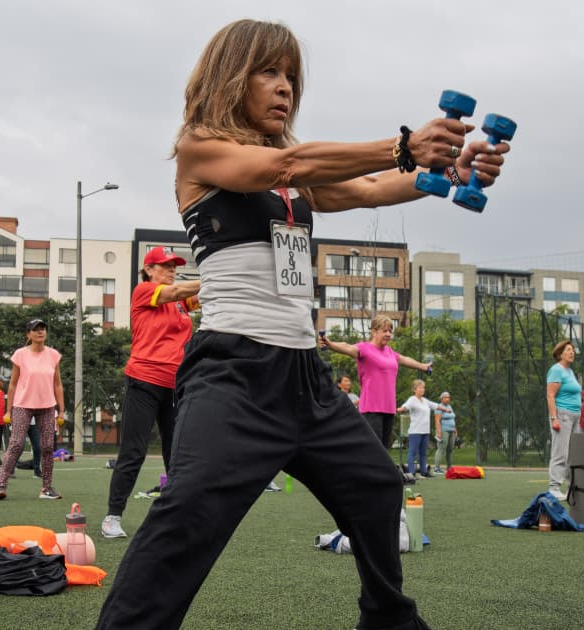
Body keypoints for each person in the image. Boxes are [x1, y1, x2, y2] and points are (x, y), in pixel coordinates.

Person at [96, 19, 507, 630]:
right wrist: (404, 145)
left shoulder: (294, 182)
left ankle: (388, 620)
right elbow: (288, 161)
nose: (285, 87)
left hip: (305, 378)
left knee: (375, 486)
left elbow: (367, 189)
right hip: (234, 371)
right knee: (187, 511)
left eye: (291, 75)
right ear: (230, 77)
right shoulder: (201, 148)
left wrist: (450, 171)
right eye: (269, 71)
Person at [101, 246, 199, 539]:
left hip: (175, 386)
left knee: (177, 455)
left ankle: (177, 518)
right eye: (165, 266)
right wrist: (214, 278)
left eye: (173, 266)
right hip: (143, 380)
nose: (170, 270)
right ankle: (112, 517)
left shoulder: (181, 303)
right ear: (148, 269)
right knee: (133, 451)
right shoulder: (145, 291)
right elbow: (179, 291)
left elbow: (204, 296)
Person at [323, 316, 432, 449]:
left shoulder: (390, 352)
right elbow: (348, 347)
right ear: (374, 331)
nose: (388, 334)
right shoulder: (364, 348)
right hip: (371, 409)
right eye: (384, 330)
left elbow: (405, 359)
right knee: (373, 450)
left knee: (384, 450)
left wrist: (423, 366)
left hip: (389, 408)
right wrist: (331, 344)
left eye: (390, 331)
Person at [0, 319, 64, 501]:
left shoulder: (53, 355)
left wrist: (61, 411)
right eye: (36, 330)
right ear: (28, 334)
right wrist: (9, 411)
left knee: (48, 446)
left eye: (43, 329)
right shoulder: (20, 355)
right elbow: (13, 384)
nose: (40, 332)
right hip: (22, 405)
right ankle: (1, 485)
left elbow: (57, 384)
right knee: (16, 443)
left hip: (47, 407)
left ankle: (47, 488)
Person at [545, 340, 581, 500]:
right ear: (560, 354)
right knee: (560, 452)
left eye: (573, 350)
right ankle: (554, 487)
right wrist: (554, 418)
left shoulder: (570, 372)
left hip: (575, 416)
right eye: (568, 350)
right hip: (562, 415)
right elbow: (550, 395)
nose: (572, 352)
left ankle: (571, 487)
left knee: (573, 453)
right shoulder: (556, 370)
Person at [397, 379, 434, 478]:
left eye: (423, 387)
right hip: (415, 431)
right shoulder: (412, 399)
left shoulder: (425, 401)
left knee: (423, 453)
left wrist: (445, 409)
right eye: (420, 387)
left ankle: (424, 471)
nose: (422, 389)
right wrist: (401, 409)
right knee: (412, 453)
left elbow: (435, 406)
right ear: (414, 389)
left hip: (425, 431)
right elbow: (406, 406)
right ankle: (411, 473)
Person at [433, 391, 456, 473]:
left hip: (451, 431)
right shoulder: (439, 407)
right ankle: (436, 468)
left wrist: (455, 430)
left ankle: (449, 468)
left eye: (448, 397)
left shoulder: (450, 407)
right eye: (445, 397)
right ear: (441, 398)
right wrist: (439, 432)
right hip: (443, 431)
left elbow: (452, 418)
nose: (447, 399)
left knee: (450, 450)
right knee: (441, 449)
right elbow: (437, 420)